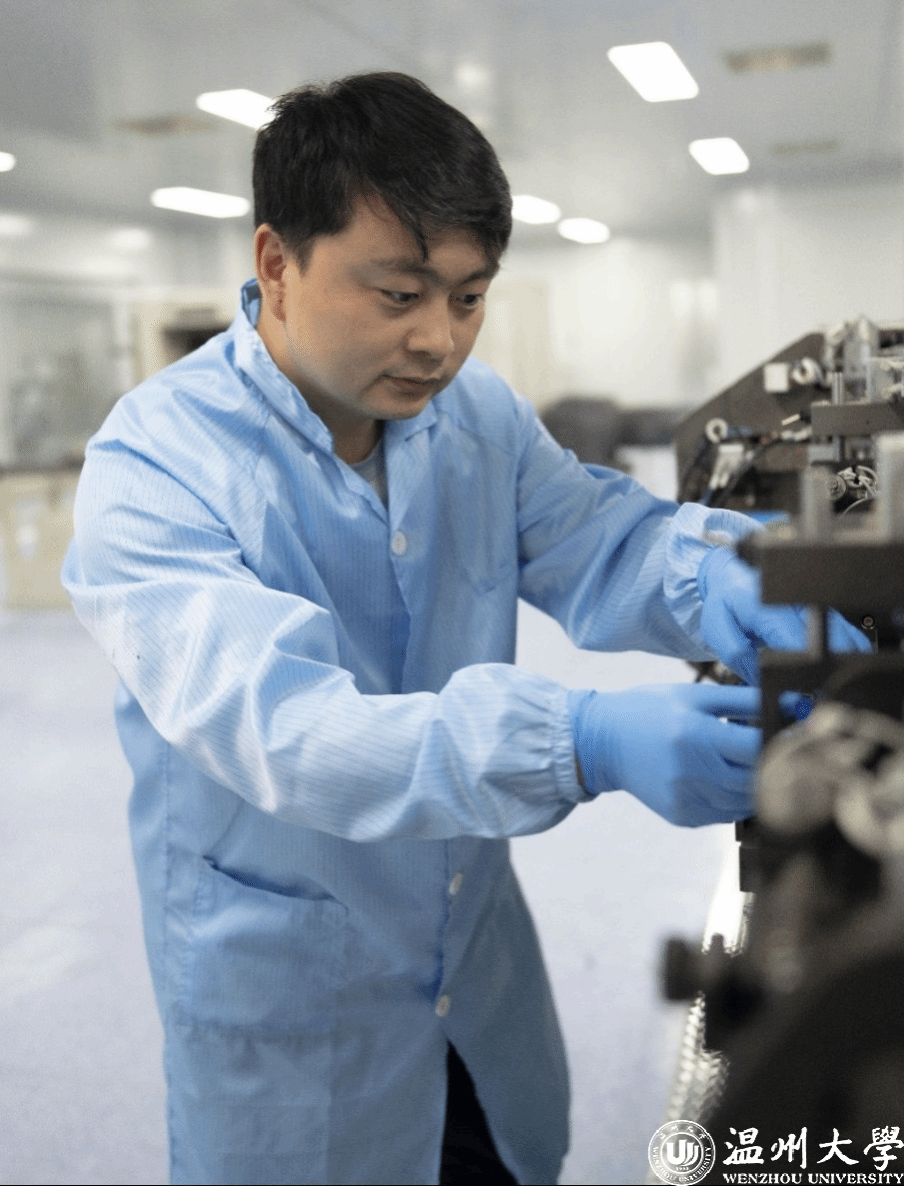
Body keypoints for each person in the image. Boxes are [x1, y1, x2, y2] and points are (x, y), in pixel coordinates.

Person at [62, 72, 865, 1186]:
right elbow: (292, 732)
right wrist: (581, 740)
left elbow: (595, 536)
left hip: (476, 982)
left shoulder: (472, 414)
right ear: (277, 262)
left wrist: (725, 574)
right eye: (399, 294)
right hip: (298, 1006)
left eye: (470, 296)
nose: (439, 340)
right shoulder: (156, 468)